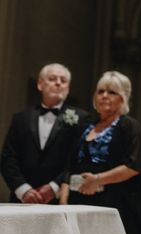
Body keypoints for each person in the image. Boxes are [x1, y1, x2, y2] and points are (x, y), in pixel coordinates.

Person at [60, 71, 141, 234]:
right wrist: (63, 201)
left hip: (118, 207)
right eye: (100, 91)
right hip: (80, 204)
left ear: (123, 97)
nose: (104, 96)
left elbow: (133, 166)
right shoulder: (86, 126)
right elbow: (69, 166)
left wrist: (98, 180)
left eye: (112, 92)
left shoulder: (131, 126)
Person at [1, 63, 89, 204]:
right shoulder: (21, 118)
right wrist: (23, 190)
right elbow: (8, 158)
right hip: (21, 201)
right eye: (52, 78)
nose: (58, 83)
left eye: (63, 80)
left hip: (59, 199)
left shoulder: (82, 118)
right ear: (40, 84)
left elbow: (78, 160)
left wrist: (54, 187)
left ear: (68, 88)